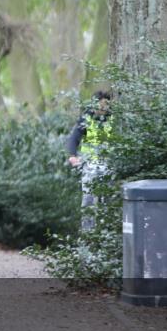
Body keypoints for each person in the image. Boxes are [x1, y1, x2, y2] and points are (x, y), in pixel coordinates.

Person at [66, 90, 113, 232]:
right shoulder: (86, 119)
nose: (103, 108)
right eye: (100, 105)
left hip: (108, 164)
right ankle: (88, 234)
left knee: (107, 201)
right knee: (88, 201)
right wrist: (72, 155)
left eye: (106, 105)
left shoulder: (113, 119)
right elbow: (73, 139)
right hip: (90, 165)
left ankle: (106, 234)